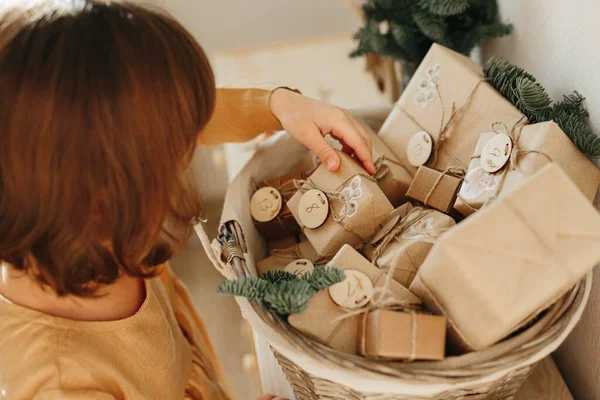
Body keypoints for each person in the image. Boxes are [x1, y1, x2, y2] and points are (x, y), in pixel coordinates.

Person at [0, 1, 374, 399]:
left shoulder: (84, 220)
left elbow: (183, 113)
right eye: (174, 157)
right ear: (110, 195)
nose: (187, 153)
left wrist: (278, 105)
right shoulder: (59, 385)